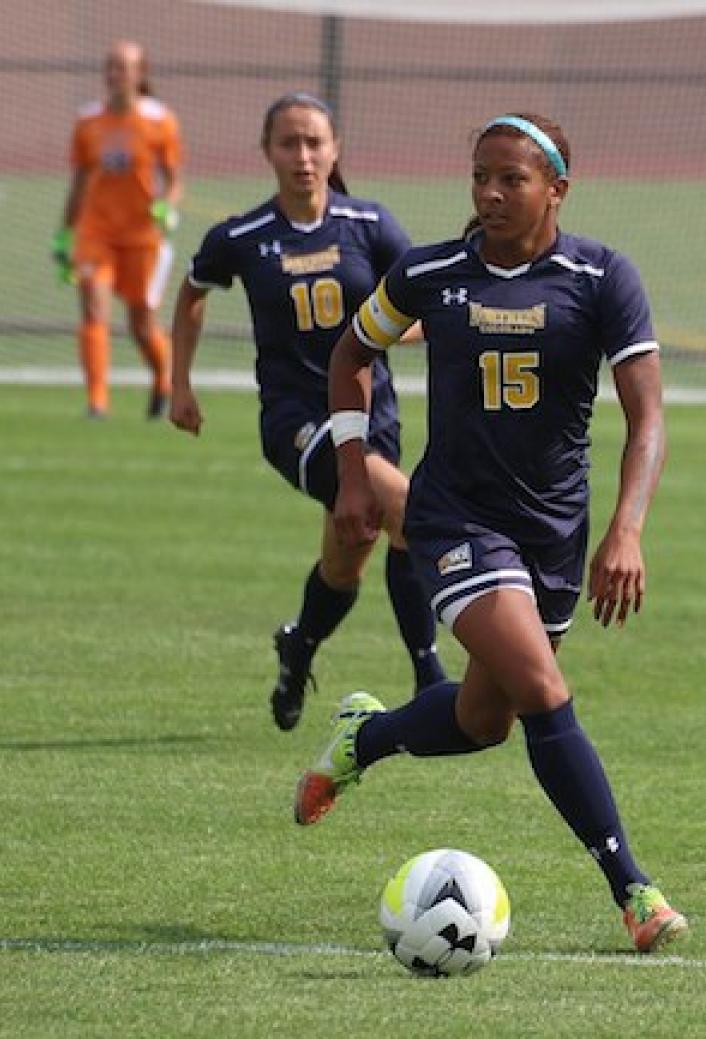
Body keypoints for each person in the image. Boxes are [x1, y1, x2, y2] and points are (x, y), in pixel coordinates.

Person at [295, 113, 687, 954]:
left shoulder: (601, 276)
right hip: (455, 521)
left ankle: (367, 736)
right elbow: (349, 355)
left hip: (553, 534)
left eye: (512, 178)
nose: (491, 193)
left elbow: (647, 414)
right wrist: (356, 467)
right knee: (545, 691)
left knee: (484, 719)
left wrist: (627, 528)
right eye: (481, 176)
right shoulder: (431, 270)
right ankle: (635, 890)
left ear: (557, 189)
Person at [168, 92, 447, 731]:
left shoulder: (369, 224)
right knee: (412, 511)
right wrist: (179, 384)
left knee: (346, 560)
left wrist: (375, 336)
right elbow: (192, 293)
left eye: (314, 142)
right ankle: (431, 676)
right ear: (267, 152)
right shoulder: (241, 236)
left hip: (374, 419)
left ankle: (298, 651)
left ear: (335, 149)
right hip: (295, 423)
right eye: (289, 143)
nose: (303, 156)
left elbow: (424, 303)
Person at [52, 39, 182, 419]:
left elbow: (173, 181)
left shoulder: (160, 120)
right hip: (96, 232)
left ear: (140, 74)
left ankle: (163, 379)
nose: (115, 74)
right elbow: (78, 181)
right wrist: (65, 233)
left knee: (142, 326)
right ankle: (97, 402)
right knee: (93, 307)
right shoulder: (87, 120)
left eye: (123, 67)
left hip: (142, 237)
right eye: (110, 66)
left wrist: (167, 207)